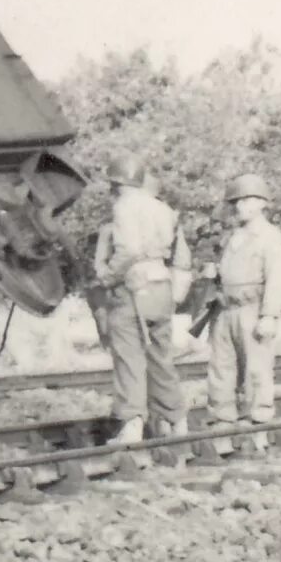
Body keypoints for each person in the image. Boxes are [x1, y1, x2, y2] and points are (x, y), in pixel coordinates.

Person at [89, 159, 191, 461]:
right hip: (161, 285)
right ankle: (176, 421)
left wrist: (108, 275)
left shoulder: (124, 206)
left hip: (133, 289)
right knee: (161, 357)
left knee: (129, 357)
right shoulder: (161, 207)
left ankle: (132, 425)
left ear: (117, 184)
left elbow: (130, 250)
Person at [207, 172, 281, 456]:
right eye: (236, 202)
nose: (238, 207)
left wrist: (270, 315)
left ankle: (258, 425)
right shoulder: (232, 238)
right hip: (225, 309)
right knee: (222, 370)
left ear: (260, 203)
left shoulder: (271, 238)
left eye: (245, 201)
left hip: (252, 309)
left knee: (256, 371)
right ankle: (222, 423)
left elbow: (278, 278)